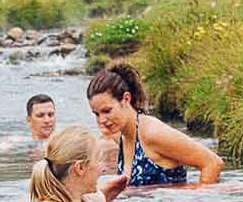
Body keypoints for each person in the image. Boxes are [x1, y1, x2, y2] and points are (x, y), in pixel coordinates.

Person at [87, 62, 223, 188]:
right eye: (97, 114)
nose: (102, 120)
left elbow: (212, 163)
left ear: (126, 99)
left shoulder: (152, 133)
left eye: (107, 111)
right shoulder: (122, 137)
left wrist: (196, 199)